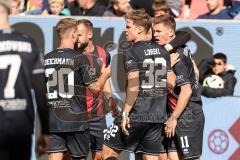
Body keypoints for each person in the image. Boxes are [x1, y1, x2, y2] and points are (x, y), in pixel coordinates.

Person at [103, 9, 171, 160]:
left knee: (105, 153)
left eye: (128, 27)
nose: (125, 30)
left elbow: (134, 85)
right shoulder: (163, 51)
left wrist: (126, 112)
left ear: (139, 29)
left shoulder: (131, 51)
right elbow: (171, 83)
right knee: (146, 157)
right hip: (157, 116)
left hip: (137, 114)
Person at [45, 18, 111, 160]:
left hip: (54, 121)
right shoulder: (81, 59)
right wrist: (105, 75)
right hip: (76, 121)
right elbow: (94, 89)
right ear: (73, 35)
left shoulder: (46, 58)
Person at [0, 0, 49, 159]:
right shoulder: (28, 42)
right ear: (9, 13)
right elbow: (41, 89)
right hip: (21, 124)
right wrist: (46, 131)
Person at [152, 15, 205, 160]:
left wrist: (174, 117)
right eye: (153, 31)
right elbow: (196, 72)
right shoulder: (172, 50)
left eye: (158, 31)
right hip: (175, 113)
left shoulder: (177, 55)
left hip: (186, 115)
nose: (155, 35)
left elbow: (186, 91)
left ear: (170, 33)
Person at [76, 19, 119, 160]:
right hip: (78, 114)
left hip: (97, 115)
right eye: (75, 34)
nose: (76, 38)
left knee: (99, 156)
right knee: (78, 156)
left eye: (80, 34)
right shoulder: (73, 54)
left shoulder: (103, 54)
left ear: (90, 34)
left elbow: (105, 79)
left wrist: (110, 99)